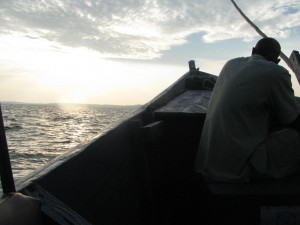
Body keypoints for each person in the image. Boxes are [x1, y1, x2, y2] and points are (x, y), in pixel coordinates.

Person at [195, 37, 300, 182]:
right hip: (238, 168)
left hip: (209, 164)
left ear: (253, 51)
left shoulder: (230, 64)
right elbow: (291, 118)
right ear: (277, 61)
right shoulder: (276, 72)